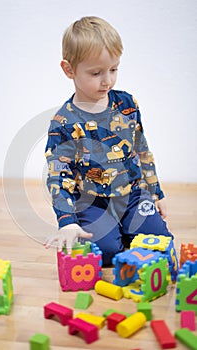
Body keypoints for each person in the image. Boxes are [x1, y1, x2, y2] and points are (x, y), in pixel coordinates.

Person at [43, 16, 174, 266]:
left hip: (134, 193)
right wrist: (67, 221)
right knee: (104, 253)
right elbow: (58, 176)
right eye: (96, 73)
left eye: (114, 69)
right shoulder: (63, 123)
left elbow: (142, 149)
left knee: (160, 242)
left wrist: (156, 191)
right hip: (93, 202)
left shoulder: (127, 104)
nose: (108, 80)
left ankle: (127, 229)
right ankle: (115, 234)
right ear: (69, 69)